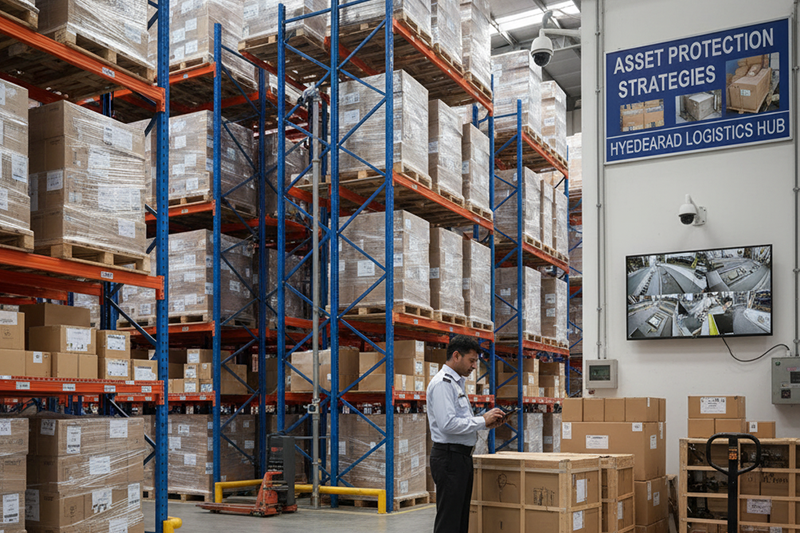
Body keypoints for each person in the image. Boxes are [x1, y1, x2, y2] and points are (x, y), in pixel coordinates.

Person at [426, 335, 505, 533]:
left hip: (459, 458)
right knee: (449, 522)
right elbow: (447, 424)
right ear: (456, 356)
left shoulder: (455, 383)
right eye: (471, 361)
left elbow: (460, 421)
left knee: (460, 519)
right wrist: (482, 420)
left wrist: (486, 424)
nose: (474, 366)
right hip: (449, 458)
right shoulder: (443, 383)